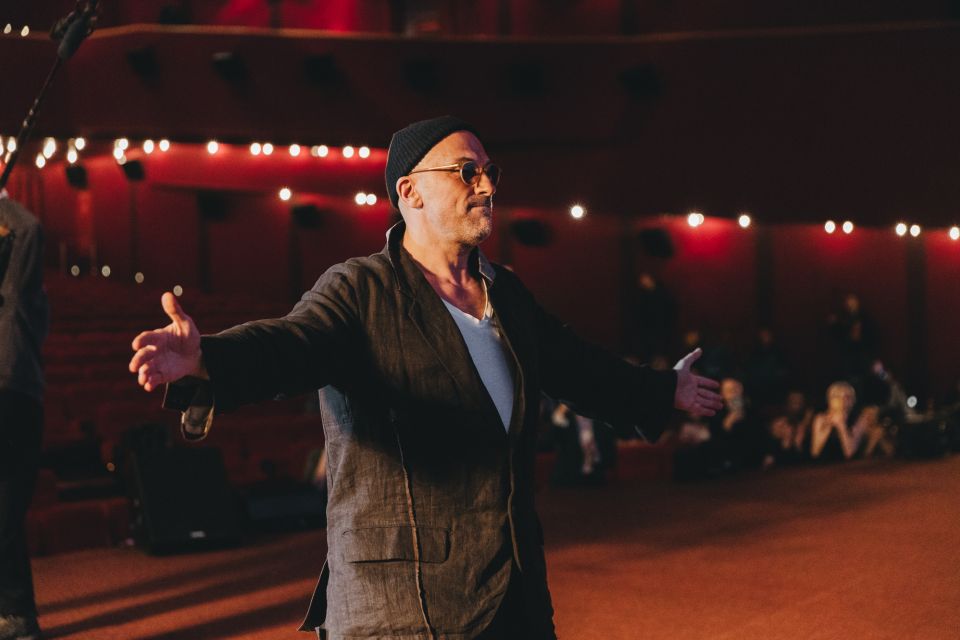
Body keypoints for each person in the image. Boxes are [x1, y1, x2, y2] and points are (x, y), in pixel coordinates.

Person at [128, 116, 722, 639]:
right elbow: (291, 344)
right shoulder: (361, 289)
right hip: (402, 607)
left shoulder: (507, 295)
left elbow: (579, 367)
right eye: (466, 172)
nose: (486, 186)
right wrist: (208, 359)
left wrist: (662, 389)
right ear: (409, 191)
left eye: (489, 171)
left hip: (513, 595)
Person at [0, 192, 48, 640]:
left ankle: (17, 615)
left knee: (5, 512)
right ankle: (15, 614)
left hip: (12, 401)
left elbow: (28, 229)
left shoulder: (16, 298)